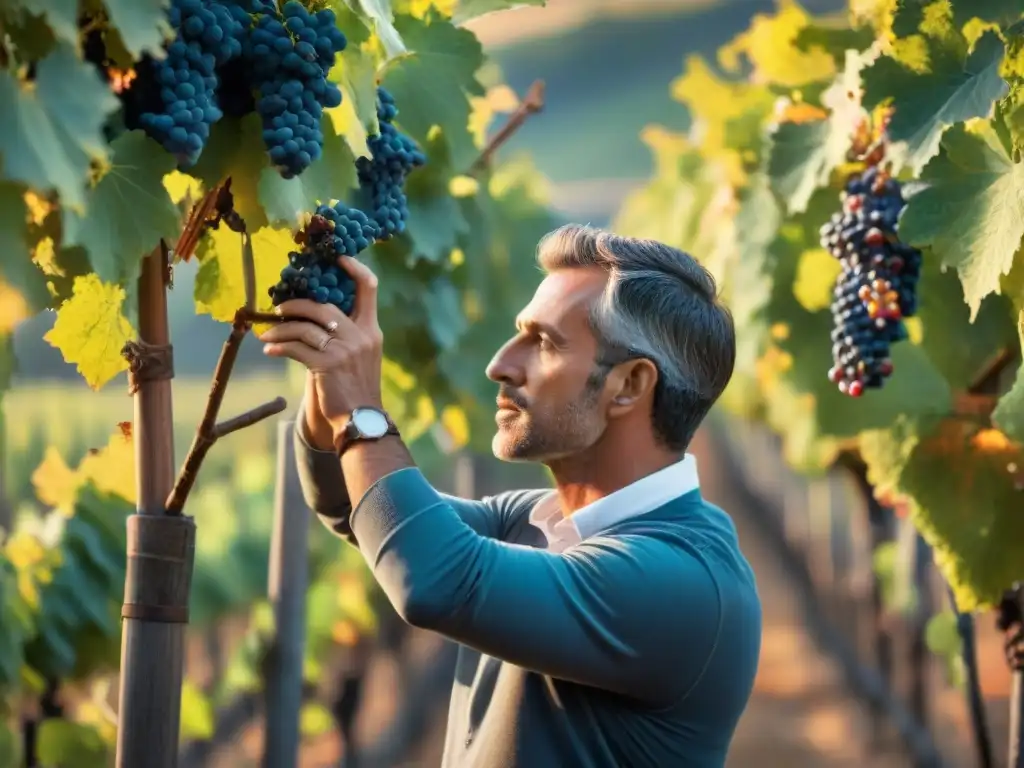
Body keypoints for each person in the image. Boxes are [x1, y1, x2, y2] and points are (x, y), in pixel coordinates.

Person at [259, 224, 762, 767]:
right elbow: (351, 506)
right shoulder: (536, 520)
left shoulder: (681, 581)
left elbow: (431, 579)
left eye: (543, 342)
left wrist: (361, 412)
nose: (500, 364)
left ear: (630, 386)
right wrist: (327, 377)